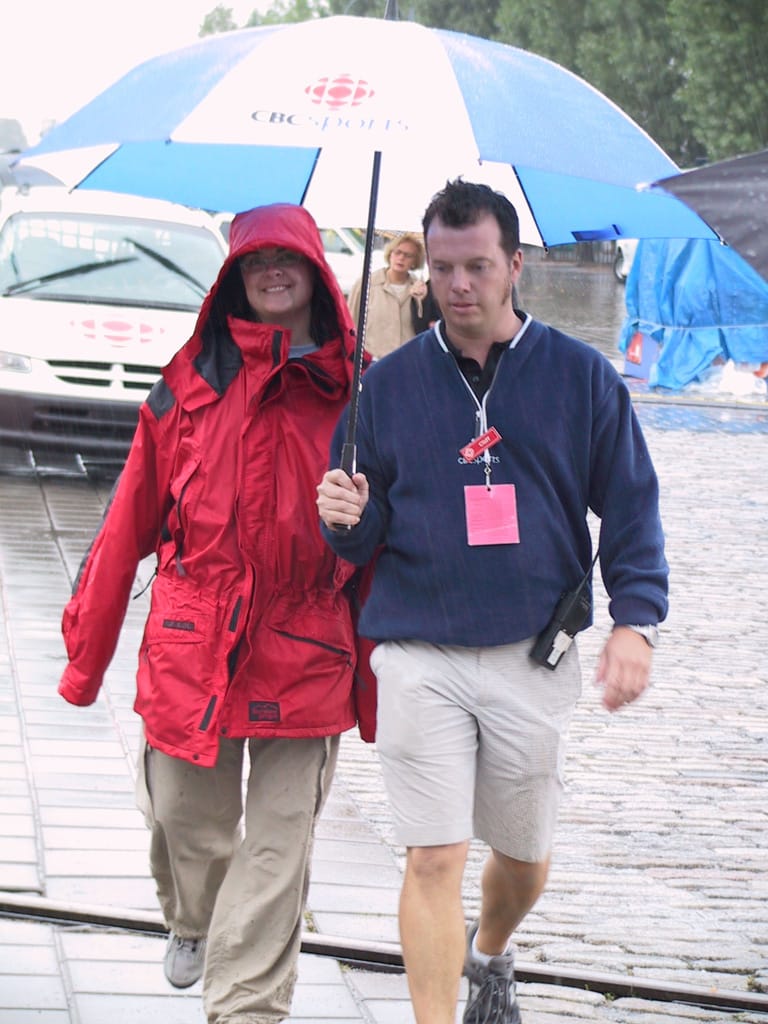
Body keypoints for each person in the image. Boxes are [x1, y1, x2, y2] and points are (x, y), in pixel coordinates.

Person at [316, 179, 668, 1024]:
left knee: (524, 853)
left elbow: (629, 504)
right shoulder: (386, 389)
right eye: (443, 268)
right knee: (433, 855)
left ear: (515, 265)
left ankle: (492, 951)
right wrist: (344, 521)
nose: (459, 285)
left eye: (477, 266)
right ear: (426, 272)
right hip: (417, 652)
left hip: (529, 654)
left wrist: (636, 622)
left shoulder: (582, 378)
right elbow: (356, 539)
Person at [58, 203, 371, 1024]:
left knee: (276, 856)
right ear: (234, 273)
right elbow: (127, 519)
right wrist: (84, 661)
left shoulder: (362, 391)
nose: (273, 272)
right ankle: (194, 919)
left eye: (289, 259)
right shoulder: (187, 385)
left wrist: (363, 520)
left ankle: (246, 1007)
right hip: (193, 642)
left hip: (307, 650)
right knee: (184, 823)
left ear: (315, 272)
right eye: (256, 259)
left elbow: (395, 541)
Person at [347, 230, 429, 358]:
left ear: (415, 261)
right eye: (398, 252)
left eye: (408, 255)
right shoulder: (367, 283)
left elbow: (425, 329)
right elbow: (349, 323)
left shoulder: (420, 287)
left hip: (407, 360)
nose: (401, 258)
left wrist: (422, 300)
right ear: (390, 254)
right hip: (372, 361)